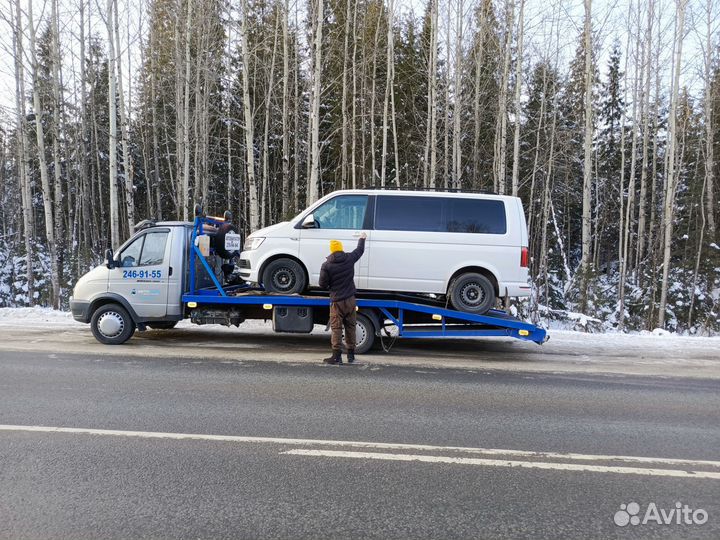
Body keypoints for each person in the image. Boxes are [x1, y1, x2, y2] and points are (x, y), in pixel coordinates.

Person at [318, 233, 367, 364]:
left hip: (337, 301)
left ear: (332, 250)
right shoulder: (349, 258)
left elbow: (322, 284)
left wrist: (331, 286)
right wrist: (362, 239)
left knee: (336, 328)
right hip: (350, 299)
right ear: (341, 248)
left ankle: (336, 357)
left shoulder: (326, 265)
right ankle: (351, 356)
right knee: (351, 327)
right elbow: (359, 251)